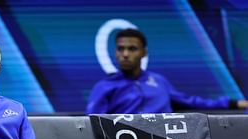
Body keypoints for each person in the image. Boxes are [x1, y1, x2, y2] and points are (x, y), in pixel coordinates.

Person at [86, 28, 248, 114]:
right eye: (121, 49)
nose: (125, 54)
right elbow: (91, 125)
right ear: (115, 52)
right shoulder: (104, 87)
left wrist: (235, 103)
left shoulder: (160, 81)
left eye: (132, 49)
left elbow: (193, 102)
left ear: (144, 52)